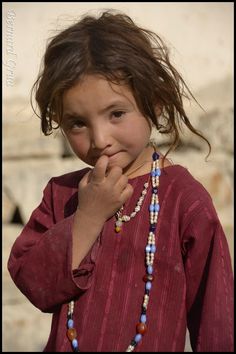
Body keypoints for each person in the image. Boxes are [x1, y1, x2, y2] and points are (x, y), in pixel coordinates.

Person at [8, 10, 233, 352]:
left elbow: (216, 320)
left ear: (154, 104)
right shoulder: (64, 195)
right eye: (77, 123)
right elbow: (33, 283)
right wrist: (87, 218)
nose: (100, 139)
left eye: (116, 114)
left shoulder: (184, 200)